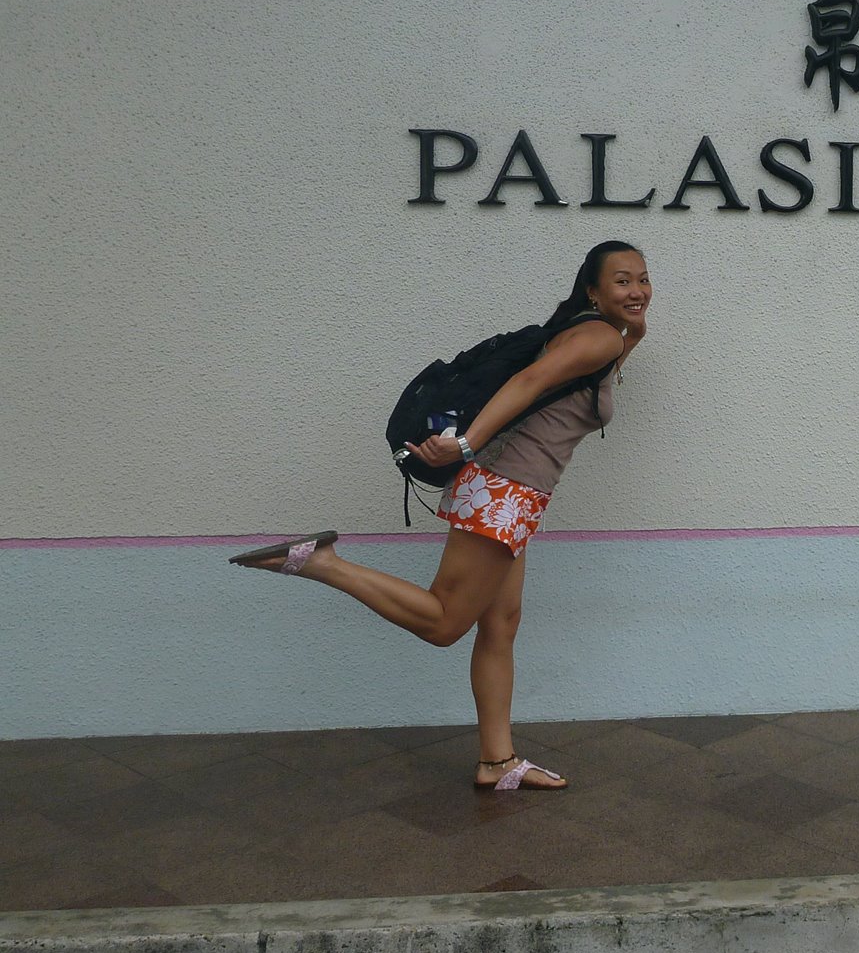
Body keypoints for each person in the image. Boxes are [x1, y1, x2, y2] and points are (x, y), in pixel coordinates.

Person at [229, 240, 650, 792]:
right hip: (504, 490)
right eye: (622, 280)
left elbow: (600, 362)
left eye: (644, 279)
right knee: (445, 622)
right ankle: (321, 562)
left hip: (509, 492)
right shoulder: (597, 337)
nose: (637, 290)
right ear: (593, 290)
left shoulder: (596, 336)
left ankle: (497, 762)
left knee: (500, 624)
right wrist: (466, 443)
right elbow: (525, 384)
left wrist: (633, 328)